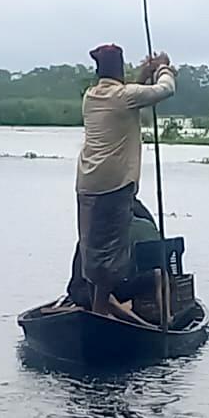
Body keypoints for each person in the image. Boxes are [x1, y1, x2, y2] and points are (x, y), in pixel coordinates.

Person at [73, 43, 176, 325]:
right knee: (111, 252)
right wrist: (164, 68)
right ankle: (100, 313)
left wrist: (142, 75)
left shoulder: (91, 96)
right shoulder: (124, 96)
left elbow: (128, 94)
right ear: (119, 69)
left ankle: (98, 306)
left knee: (92, 246)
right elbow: (166, 90)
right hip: (114, 183)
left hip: (86, 183)